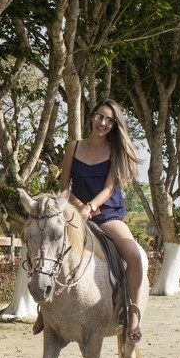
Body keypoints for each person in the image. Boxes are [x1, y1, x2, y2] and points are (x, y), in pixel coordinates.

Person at [52, 98, 145, 342]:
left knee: (134, 255)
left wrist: (91, 206)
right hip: (74, 212)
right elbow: (64, 185)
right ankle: (45, 310)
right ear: (91, 117)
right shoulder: (73, 147)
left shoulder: (114, 152)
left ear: (114, 126)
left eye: (109, 120)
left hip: (106, 214)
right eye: (99, 117)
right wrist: (80, 207)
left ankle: (133, 313)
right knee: (46, 245)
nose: (102, 123)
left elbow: (109, 187)